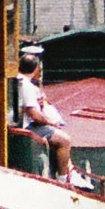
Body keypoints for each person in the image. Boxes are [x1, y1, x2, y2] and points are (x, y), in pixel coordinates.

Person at [15, 48, 76, 181]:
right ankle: (62, 179)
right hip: (27, 128)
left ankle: (68, 169)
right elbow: (34, 114)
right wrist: (50, 123)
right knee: (64, 140)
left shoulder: (14, 80)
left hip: (17, 123)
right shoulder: (27, 86)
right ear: (36, 69)